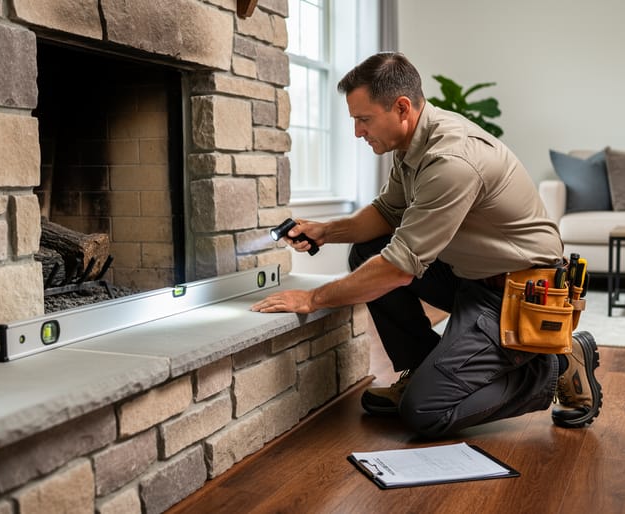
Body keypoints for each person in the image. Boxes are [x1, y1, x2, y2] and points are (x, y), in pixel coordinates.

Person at [251, 52, 601, 438]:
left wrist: (312, 299)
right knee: (367, 249)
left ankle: (553, 369)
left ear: (401, 107)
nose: (357, 132)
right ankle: (424, 368)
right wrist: (326, 231)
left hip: (517, 297)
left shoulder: (451, 160)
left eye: (363, 120)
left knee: (424, 412)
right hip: (472, 278)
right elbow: (387, 212)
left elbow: (399, 268)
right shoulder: (411, 145)